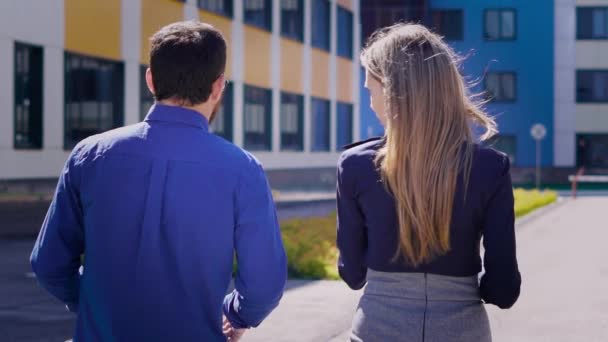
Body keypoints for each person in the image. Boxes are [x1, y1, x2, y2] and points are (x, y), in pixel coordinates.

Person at [30, 21, 286, 341]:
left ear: (150, 79)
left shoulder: (90, 155)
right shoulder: (243, 170)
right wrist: (236, 316)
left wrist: (95, 302)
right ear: (219, 86)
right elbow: (264, 285)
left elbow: (48, 263)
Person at [336, 23, 521, 342]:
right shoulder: (491, 168)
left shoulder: (355, 166)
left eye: (371, 90)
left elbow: (353, 274)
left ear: (392, 91)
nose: (370, 103)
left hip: (377, 330)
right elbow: (504, 290)